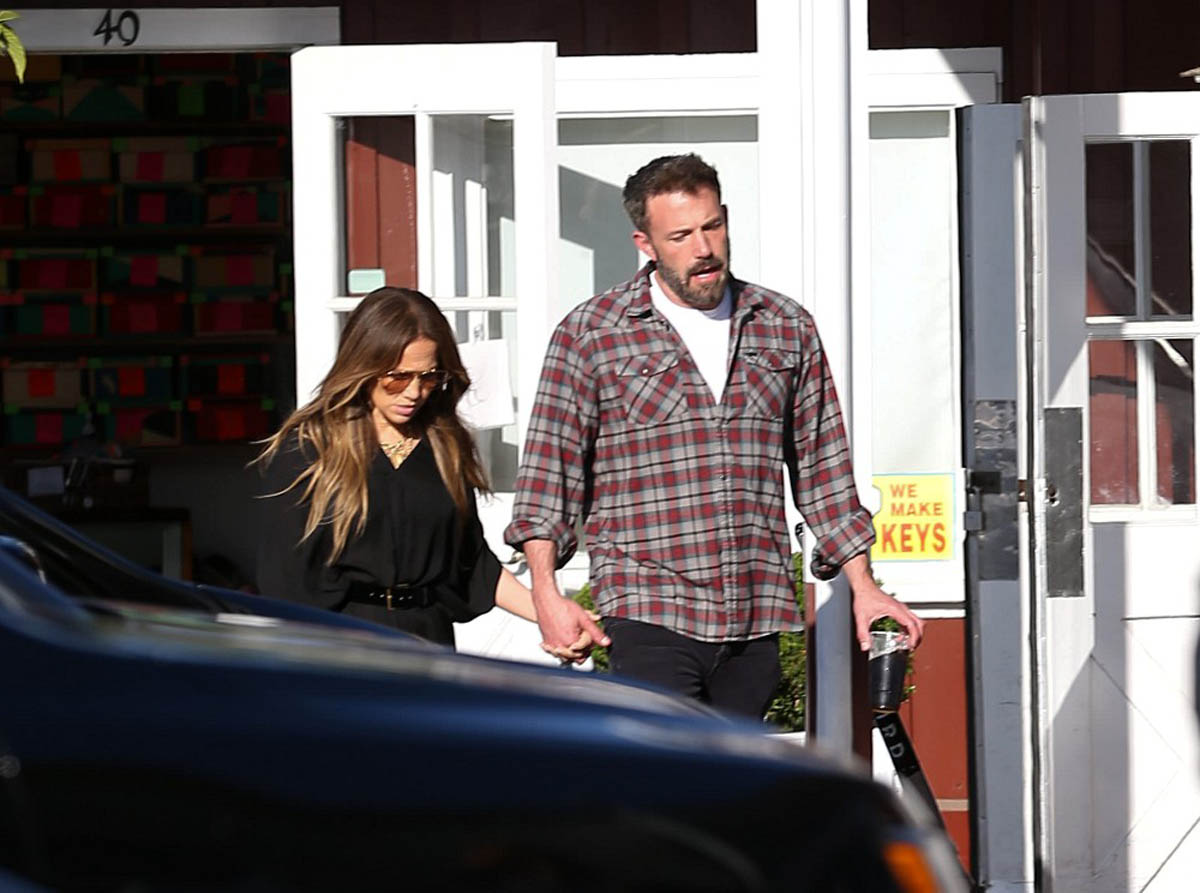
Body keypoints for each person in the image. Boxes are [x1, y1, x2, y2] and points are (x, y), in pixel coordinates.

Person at [504, 154, 924, 718]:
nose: (703, 248)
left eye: (712, 226)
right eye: (680, 236)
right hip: (648, 605)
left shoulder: (783, 326)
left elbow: (823, 468)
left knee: (732, 772)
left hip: (755, 607)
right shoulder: (592, 333)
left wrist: (864, 586)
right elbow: (547, 475)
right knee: (671, 763)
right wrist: (545, 593)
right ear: (646, 243)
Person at [254, 286, 593, 657]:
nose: (414, 392)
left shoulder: (444, 447)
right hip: (341, 647)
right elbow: (282, 579)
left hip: (428, 642)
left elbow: (473, 566)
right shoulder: (311, 450)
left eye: (429, 377)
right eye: (398, 377)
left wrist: (554, 618)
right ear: (363, 367)